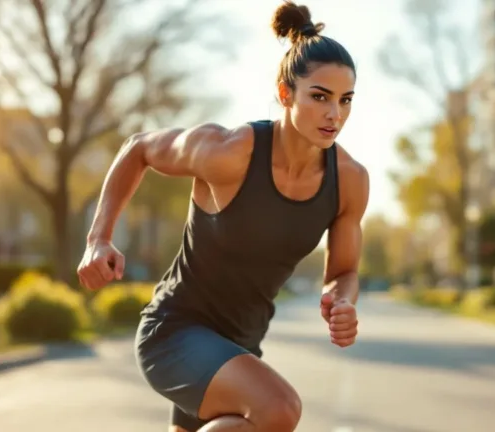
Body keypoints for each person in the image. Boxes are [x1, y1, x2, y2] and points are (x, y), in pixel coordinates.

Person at [76, 1, 369, 430]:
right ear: (286, 93)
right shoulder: (230, 152)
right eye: (320, 97)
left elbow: (343, 271)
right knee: (279, 408)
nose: (335, 115)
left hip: (238, 349)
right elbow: (139, 147)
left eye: (345, 100)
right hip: (175, 333)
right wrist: (97, 238)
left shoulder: (349, 181)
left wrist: (343, 300)